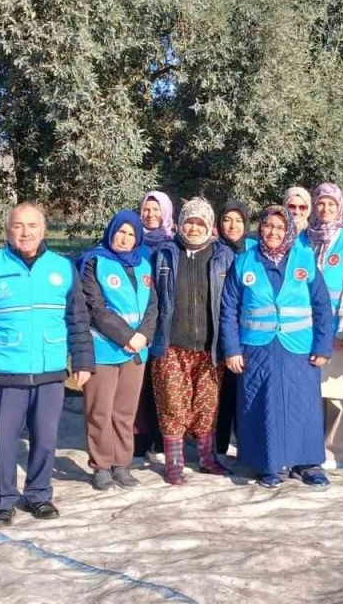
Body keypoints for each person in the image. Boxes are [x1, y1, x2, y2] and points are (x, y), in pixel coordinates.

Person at [0, 203, 94, 526]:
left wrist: (83, 360)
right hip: (3, 371)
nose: (25, 232)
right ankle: (2, 501)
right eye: (18, 225)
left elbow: (77, 318)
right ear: (8, 230)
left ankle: (38, 495)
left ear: (43, 230)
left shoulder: (62, 268)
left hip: (50, 372)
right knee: (3, 441)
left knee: (45, 439)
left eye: (32, 225)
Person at [220, 206, 335, 489]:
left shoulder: (304, 259)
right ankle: (268, 465)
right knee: (262, 406)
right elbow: (228, 308)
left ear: (289, 232)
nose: (273, 232)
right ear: (260, 228)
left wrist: (323, 346)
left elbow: (322, 305)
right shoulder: (245, 261)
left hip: (299, 349)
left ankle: (307, 463)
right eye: (268, 226)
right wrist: (231, 350)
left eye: (280, 228)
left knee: (303, 406)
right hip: (256, 349)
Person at [148, 198, 235, 484]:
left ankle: (208, 459)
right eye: (189, 222)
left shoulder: (223, 256)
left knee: (206, 405)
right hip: (171, 344)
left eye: (200, 223)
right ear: (180, 224)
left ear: (208, 225)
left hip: (210, 347)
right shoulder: (164, 254)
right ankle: (174, 462)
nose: (194, 228)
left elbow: (231, 301)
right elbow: (153, 297)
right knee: (172, 403)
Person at [77, 210, 158, 490]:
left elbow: (153, 306)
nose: (125, 239)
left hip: (136, 352)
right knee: (99, 410)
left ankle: (122, 464)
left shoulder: (144, 265)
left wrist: (144, 335)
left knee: (125, 411)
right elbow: (95, 307)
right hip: (104, 349)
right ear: (111, 232)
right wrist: (127, 336)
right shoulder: (93, 262)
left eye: (131, 234)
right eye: (121, 232)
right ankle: (101, 465)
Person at [305, 183, 343, 469]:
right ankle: (311, 447)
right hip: (306, 329)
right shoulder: (303, 239)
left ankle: (337, 452)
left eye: (331, 204)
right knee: (311, 391)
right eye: (321, 203)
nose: (325, 209)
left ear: (340, 207)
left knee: (338, 394)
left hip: (336, 331)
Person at [134, 190, 174, 462]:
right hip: (138, 327)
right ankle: (138, 441)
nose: (150, 215)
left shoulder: (173, 245)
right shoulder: (132, 243)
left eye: (156, 209)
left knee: (163, 387)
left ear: (166, 212)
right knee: (139, 387)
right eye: (146, 209)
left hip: (165, 328)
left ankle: (160, 441)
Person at [214, 199, 253, 459]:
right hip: (218, 331)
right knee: (221, 394)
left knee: (245, 392)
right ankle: (218, 447)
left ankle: (246, 447)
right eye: (227, 219)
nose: (232, 225)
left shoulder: (255, 251)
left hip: (249, 333)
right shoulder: (211, 250)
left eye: (238, 220)